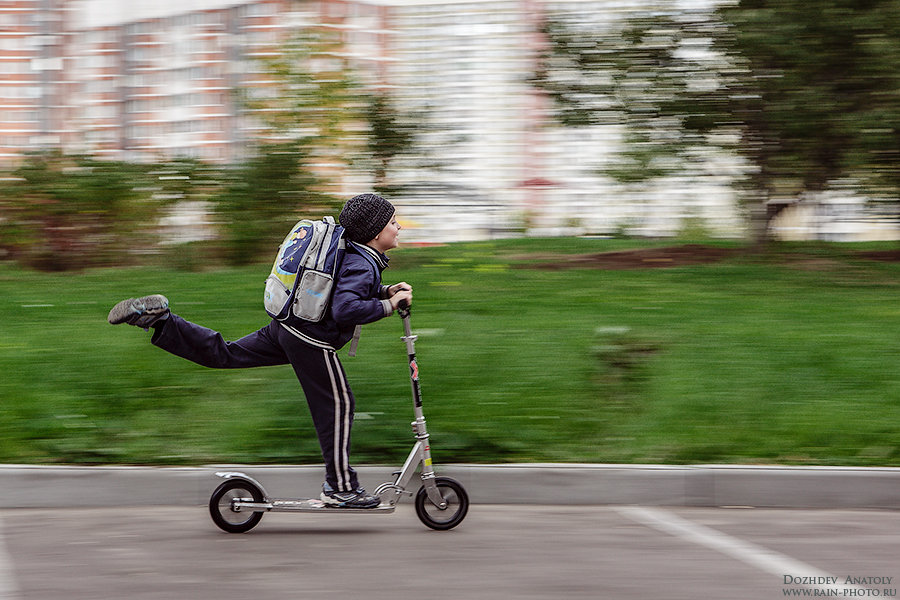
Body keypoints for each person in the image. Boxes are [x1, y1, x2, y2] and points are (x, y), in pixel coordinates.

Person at [107, 193, 412, 508]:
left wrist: (384, 291)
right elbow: (346, 308)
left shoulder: (350, 251)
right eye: (392, 222)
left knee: (226, 354)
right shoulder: (362, 262)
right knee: (338, 405)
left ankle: (163, 322)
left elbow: (343, 288)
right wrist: (389, 304)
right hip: (311, 339)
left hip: (287, 325)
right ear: (376, 233)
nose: (398, 226)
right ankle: (341, 488)